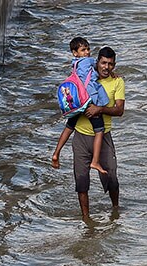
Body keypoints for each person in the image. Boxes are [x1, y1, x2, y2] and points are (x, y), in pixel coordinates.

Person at [51, 46, 125, 220]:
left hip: (104, 137)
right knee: (81, 182)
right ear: (97, 61)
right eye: (104, 63)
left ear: (114, 66)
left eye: (111, 64)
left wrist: (99, 108)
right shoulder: (86, 76)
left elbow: (119, 110)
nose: (106, 67)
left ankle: (115, 212)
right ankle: (86, 219)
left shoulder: (117, 82)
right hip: (81, 138)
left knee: (111, 178)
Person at [58, 37, 110, 175]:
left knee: (69, 127)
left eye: (88, 49)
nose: (87, 52)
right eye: (83, 50)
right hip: (88, 100)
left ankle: (56, 153)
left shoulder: (74, 63)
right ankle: (95, 161)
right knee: (99, 130)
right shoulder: (88, 61)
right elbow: (100, 64)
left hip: (78, 102)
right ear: (75, 52)